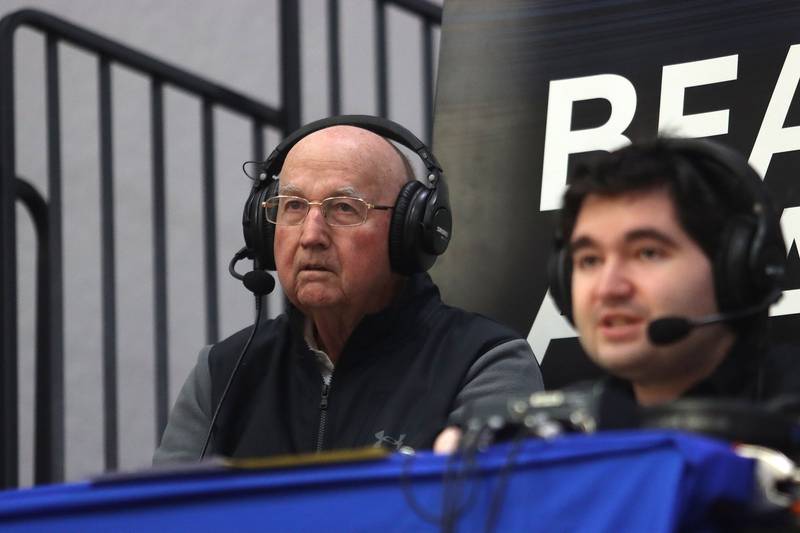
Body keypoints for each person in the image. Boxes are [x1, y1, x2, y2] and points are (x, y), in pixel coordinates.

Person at [154, 115, 543, 463]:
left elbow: (490, 514)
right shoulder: (223, 373)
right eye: (292, 206)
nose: (311, 235)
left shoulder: (483, 363)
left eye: (344, 208)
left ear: (408, 231)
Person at [549, 136, 800, 406]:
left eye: (647, 253)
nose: (608, 289)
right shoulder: (549, 436)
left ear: (737, 268)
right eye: (590, 260)